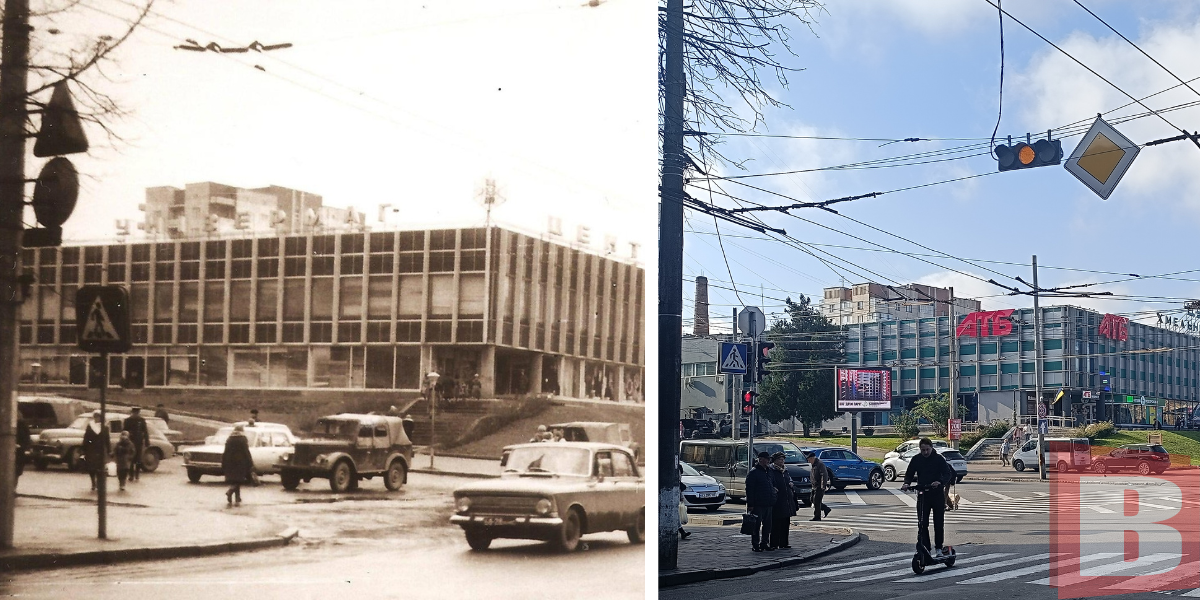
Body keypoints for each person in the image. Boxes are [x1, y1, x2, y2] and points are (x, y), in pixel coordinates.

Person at [901, 438, 955, 559]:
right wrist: (906, 483)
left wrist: (939, 482)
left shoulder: (939, 458)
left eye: (927, 449)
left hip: (936, 494)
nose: (925, 452)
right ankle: (926, 548)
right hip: (922, 494)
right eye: (923, 450)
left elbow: (947, 474)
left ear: (931, 448)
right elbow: (909, 473)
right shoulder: (917, 459)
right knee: (922, 523)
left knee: (938, 523)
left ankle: (939, 548)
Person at [745, 451, 776, 552]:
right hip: (758, 504)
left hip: (769, 503)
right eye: (766, 459)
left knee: (768, 525)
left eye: (769, 459)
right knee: (756, 526)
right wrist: (750, 504)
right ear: (760, 459)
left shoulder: (770, 471)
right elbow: (749, 490)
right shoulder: (754, 472)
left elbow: (773, 484)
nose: (768, 461)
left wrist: (774, 492)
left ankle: (764, 543)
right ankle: (755, 544)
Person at [222, 424, 255, 506]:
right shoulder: (242, 439)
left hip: (230, 462)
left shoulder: (229, 439)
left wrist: (223, 462)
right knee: (239, 479)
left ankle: (237, 497)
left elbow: (225, 451)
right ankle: (230, 492)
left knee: (235, 479)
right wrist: (250, 462)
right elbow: (246, 451)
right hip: (240, 462)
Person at [770, 451, 796, 549]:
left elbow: (789, 479)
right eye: (780, 460)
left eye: (783, 460)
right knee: (776, 524)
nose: (782, 461)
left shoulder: (785, 470)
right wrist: (773, 488)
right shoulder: (772, 470)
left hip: (787, 500)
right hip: (777, 500)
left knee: (786, 523)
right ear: (775, 461)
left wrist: (791, 483)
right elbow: (770, 482)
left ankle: (784, 543)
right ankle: (774, 543)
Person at [82, 411, 110, 492]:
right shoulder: (90, 426)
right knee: (91, 468)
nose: (97, 419)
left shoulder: (105, 427)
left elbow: (107, 440)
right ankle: (93, 482)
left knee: (100, 467)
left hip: (100, 450)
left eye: (98, 417)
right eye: (96, 417)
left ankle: (98, 483)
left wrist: (109, 450)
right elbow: (86, 438)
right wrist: (84, 448)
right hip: (91, 449)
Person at [123, 406, 149, 482]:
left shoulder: (141, 420)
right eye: (134, 413)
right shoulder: (127, 420)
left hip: (138, 442)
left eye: (137, 413)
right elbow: (124, 431)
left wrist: (147, 441)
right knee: (130, 458)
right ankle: (131, 475)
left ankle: (137, 474)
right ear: (132, 412)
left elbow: (145, 431)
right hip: (130, 442)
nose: (136, 414)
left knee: (138, 459)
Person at [806, 451, 831, 521]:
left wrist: (823, 485)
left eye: (809, 459)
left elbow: (824, 475)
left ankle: (817, 516)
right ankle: (826, 509)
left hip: (819, 486)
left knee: (817, 501)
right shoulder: (813, 464)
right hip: (814, 485)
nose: (808, 461)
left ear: (812, 458)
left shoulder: (820, 464)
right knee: (812, 499)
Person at [15, 416, 31, 485]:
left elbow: (27, 438)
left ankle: (12, 488)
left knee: (16, 471)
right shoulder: (22, 424)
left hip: (19, 450)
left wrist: (22, 446)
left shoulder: (22, 424)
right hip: (18, 450)